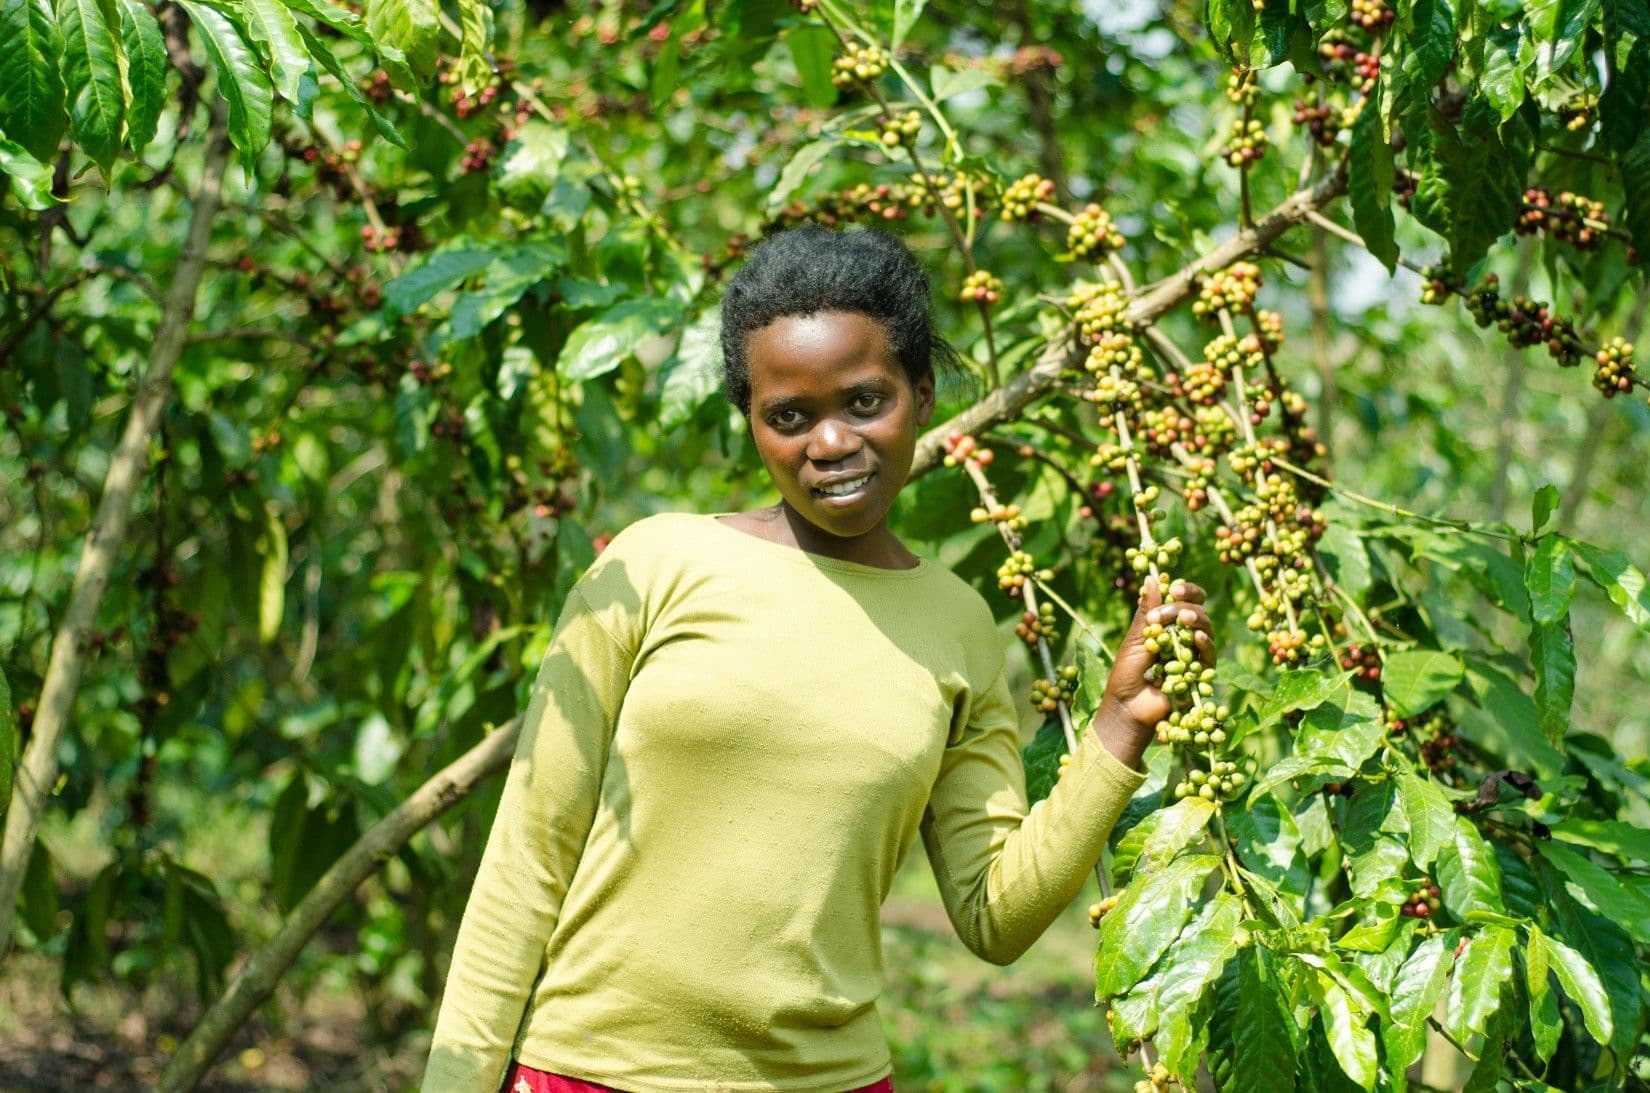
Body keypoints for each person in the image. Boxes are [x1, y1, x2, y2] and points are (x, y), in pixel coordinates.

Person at [421, 226, 1215, 1093]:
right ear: (752, 422)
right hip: (589, 1071)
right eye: (788, 417)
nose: (830, 443)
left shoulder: (958, 625)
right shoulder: (651, 566)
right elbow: (525, 861)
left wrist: (1118, 727)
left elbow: (996, 915)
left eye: (865, 401)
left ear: (921, 391)